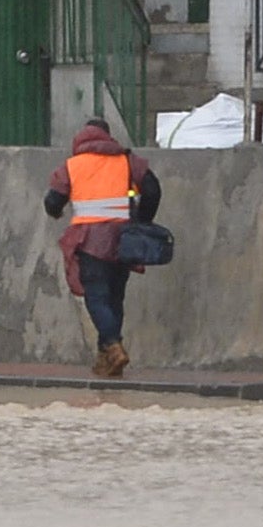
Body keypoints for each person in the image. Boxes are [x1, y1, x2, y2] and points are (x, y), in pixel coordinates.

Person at [41, 117, 162, 380]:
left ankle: (112, 345)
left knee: (96, 297)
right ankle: (105, 359)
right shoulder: (127, 160)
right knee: (115, 297)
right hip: (124, 241)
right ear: (108, 137)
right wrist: (142, 222)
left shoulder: (72, 166)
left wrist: (57, 210)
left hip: (89, 242)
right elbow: (152, 190)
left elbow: (52, 201)